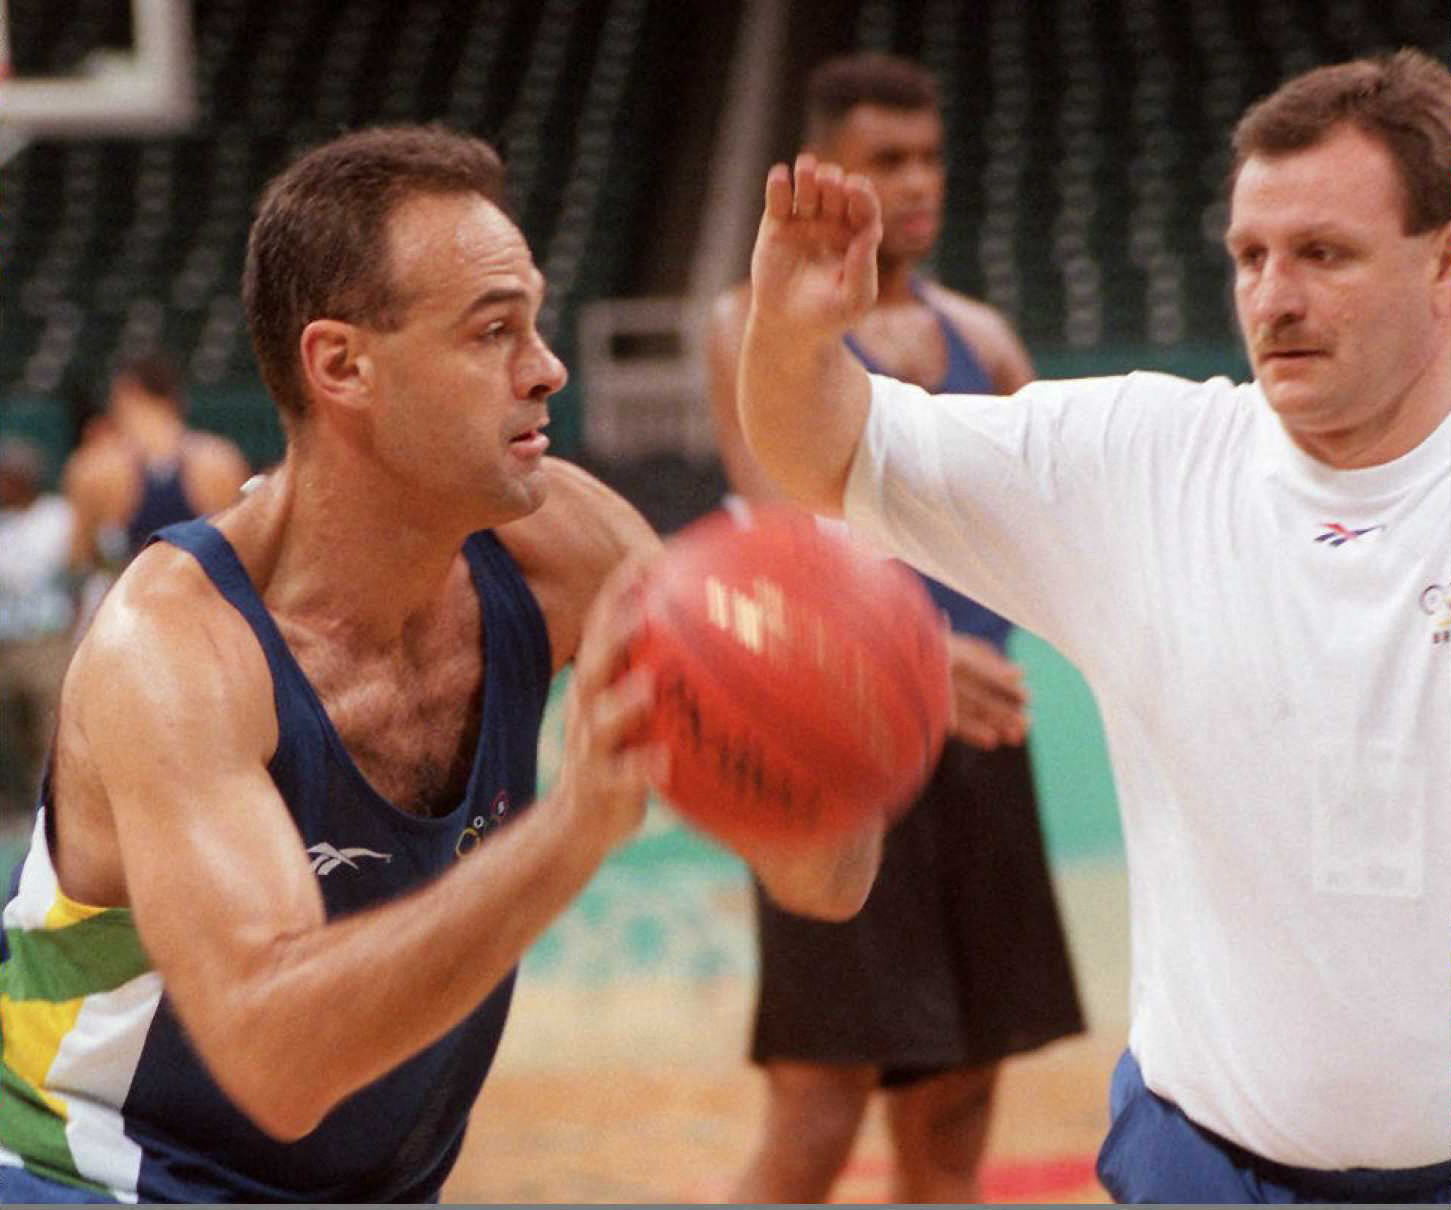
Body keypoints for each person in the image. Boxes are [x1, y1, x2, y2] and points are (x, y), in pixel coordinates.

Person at [0, 125, 886, 1204]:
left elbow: (825, 881)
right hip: (92, 1179)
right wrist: (573, 827)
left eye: (536, 322)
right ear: (340, 365)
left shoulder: (566, 552)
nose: (547, 367)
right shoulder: (175, 650)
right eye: (492, 331)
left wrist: (825, 698)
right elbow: (277, 1061)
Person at [737, 47, 1451, 1203]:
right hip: (1198, 1170)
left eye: (1322, 254)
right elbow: (826, 450)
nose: (1272, 297)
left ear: (1440, 264)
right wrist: (791, 330)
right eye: (1249, 256)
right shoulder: (1140, 461)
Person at [709, 53, 1082, 1204]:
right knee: (818, 1111)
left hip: (975, 748)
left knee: (956, 1113)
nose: (916, 181)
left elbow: (1043, 535)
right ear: (830, 175)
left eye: (928, 158)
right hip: (831, 750)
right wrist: (915, 656)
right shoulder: (755, 328)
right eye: (886, 161)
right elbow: (786, 544)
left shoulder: (984, 335)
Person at [62, 350, 251, 628]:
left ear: (126, 390)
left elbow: (79, 558)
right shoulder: (221, 458)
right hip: (205, 622)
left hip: (129, 625)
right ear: (174, 396)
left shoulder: (95, 464)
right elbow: (245, 556)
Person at [0, 439, 74, 825]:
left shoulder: (57, 515)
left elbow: (68, 570)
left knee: (50, 738)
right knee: (13, 737)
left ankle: (50, 820)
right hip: (5, 645)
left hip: (46, 641)